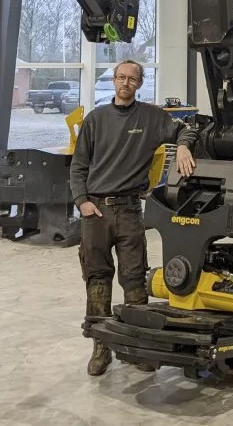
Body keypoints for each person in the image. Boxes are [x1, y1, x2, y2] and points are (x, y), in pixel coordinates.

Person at [70, 58, 198, 377]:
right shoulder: (96, 119)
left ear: (139, 84)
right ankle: (101, 348)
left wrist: (182, 148)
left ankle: (140, 348)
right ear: (114, 80)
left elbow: (186, 128)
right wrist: (82, 202)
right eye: (120, 77)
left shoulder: (152, 117)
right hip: (96, 212)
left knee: (134, 280)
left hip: (129, 211)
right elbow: (78, 167)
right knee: (97, 279)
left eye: (132, 78)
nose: (125, 82)